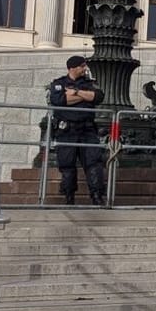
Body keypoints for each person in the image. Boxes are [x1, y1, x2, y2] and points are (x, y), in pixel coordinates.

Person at [49, 55, 106, 206]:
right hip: (67, 130)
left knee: (94, 162)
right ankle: (69, 196)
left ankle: (96, 196)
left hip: (87, 129)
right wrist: (85, 96)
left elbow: (98, 97)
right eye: (82, 66)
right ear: (72, 68)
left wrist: (75, 93)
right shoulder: (59, 83)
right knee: (67, 164)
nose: (85, 68)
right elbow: (59, 101)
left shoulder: (89, 83)